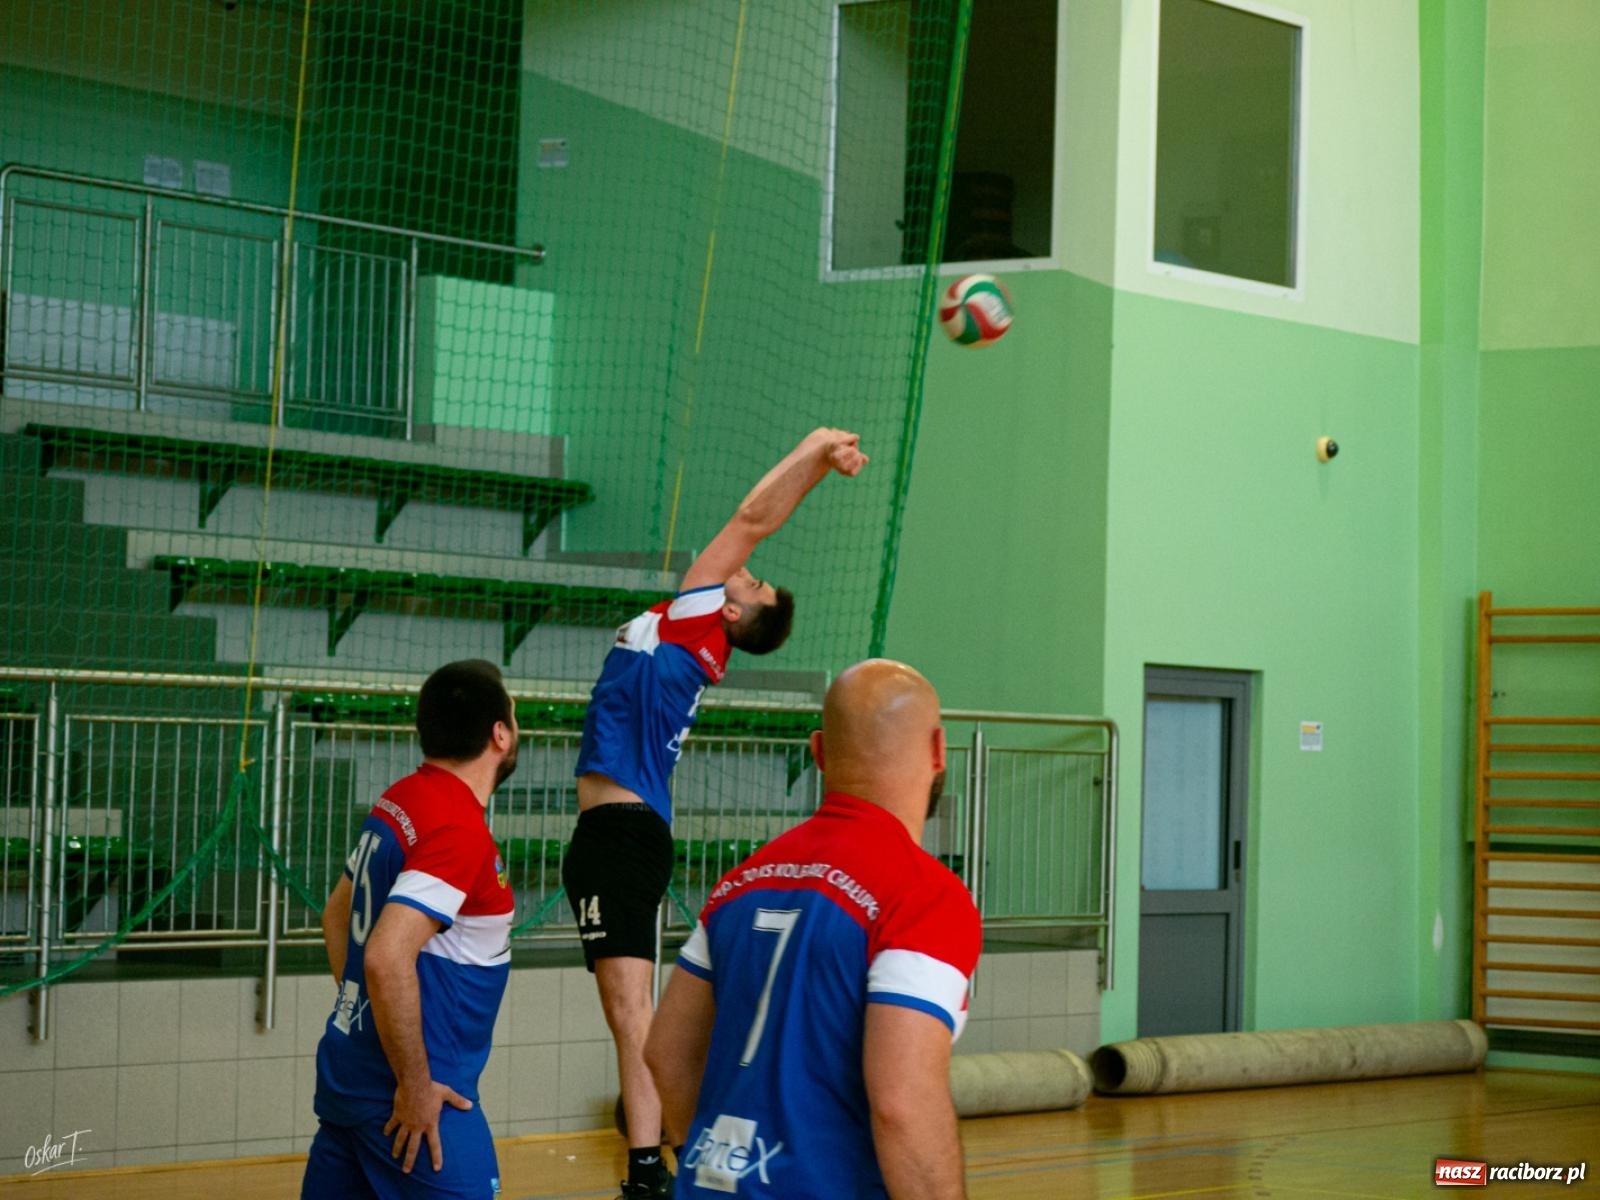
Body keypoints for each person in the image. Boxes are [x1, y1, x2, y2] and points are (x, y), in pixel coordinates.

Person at [562, 427, 869, 1199]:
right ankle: (651, 1166)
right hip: (612, 834)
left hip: (622, 834)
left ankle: (655, 1170)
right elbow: (749, 530)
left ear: (731, 615)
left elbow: (751, 519)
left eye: (751, 582)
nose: (743, 571)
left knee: (631, 1012)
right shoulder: (689, 627)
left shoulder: (695, 622)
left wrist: (814, 452)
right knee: (625, 1013)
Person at [645, 659, 981, 1200]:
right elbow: (903, 1099)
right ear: (939, 750)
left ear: (818, 751)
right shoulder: (925, 895)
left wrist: (705, 1161)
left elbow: (666, 1050)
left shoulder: (740, 883)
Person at [303, 659, 520, 1200]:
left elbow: (337, 914)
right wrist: (415, 1085)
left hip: (351, 1080)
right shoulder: (457, 826)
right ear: (500, 733)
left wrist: (366, 1012)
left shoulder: (401, 798)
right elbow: (384, 958)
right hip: (414, 1099)